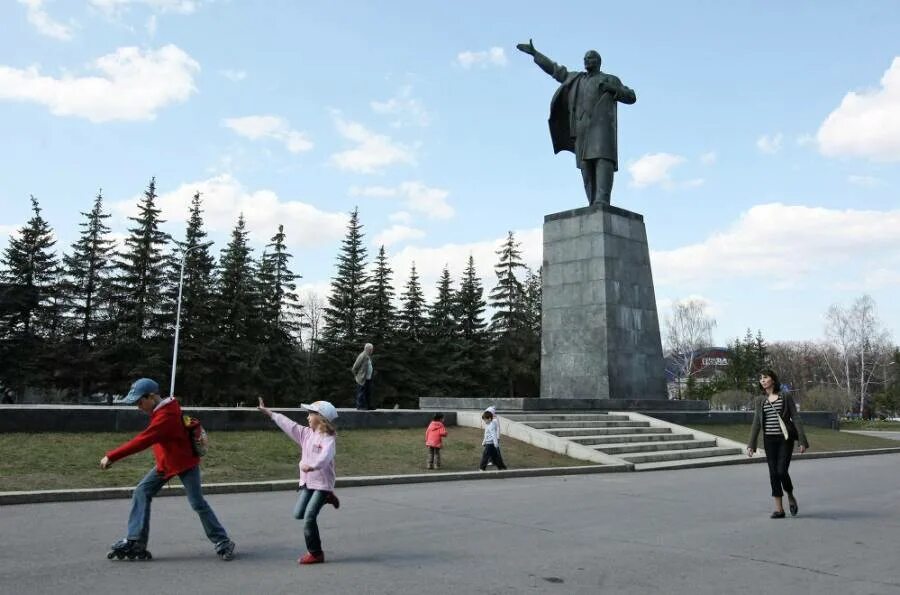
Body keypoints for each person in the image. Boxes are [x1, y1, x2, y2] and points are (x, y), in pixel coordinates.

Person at [100, 378, 235, 561]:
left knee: (197, 503)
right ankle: (136, 541)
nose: (139, 407)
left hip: (185, 463)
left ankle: (223, 541)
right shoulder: (163, 409)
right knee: (142, 491)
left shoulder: (166, 417)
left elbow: (142, 441)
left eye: (140, 402)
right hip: (166, 463)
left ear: (152, 396)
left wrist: (112, 456)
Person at [517, 39, 636, 206]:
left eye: (591, 58)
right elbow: (555, 70)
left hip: (601, 129)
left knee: (602, 160)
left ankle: (602, 200)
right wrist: (536, 54)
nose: (588, 61)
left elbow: (631, 96)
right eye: (586, 58)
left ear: (599, 62)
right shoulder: (575, 79)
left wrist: (613, 89)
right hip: (580, 128)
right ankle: (592, 202)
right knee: (585, 167)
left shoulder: (610, 79)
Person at [258, 397, 339, 565]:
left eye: (310, 414)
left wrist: (312, 466)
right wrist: (270, 414)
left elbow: (325, 457)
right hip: (308, 482)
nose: (307, 417)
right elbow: (289, 424)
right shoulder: (305, 434)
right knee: (298, 514)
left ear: (321, 418)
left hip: (323, 484)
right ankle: (328, 498)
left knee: (309, 517)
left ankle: (315, 553)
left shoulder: (328, 438)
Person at [747, 369, 809, 518]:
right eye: (760, 378)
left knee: (781, 471)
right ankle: (779, 509)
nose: (762, 380)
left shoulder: (785, 396)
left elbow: (795, 417)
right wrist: (751, 444)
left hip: (784, 439)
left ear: (773, 380)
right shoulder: (760, 400)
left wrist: (802, 440)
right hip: (769, 440)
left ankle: (790, 494)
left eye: (765, 377)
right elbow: (756, 422)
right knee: (773, 474)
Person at [479, 407, 507, 471]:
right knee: (495, 457)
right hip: (489, 443)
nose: (484, 421)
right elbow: (486, 435)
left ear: (489, 419)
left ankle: (482, 468)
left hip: (490, 444)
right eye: (484, 420)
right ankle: (502, 467)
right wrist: (484, 442)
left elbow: (494, 435)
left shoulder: (491, 425)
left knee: (485, 456)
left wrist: (496, 443)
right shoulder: (488, 425)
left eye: (485, 420)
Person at [351, 343, 375, 410]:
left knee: (368, 393)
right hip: (362, 379)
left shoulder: (368, 356)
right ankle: (360, 406)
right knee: (361, 393)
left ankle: (369, 406)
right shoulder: (362, 356)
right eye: (371, 349)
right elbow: (354, 368)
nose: (372, 350)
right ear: (367, 349)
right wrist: (357, 376)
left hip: (368, 378)